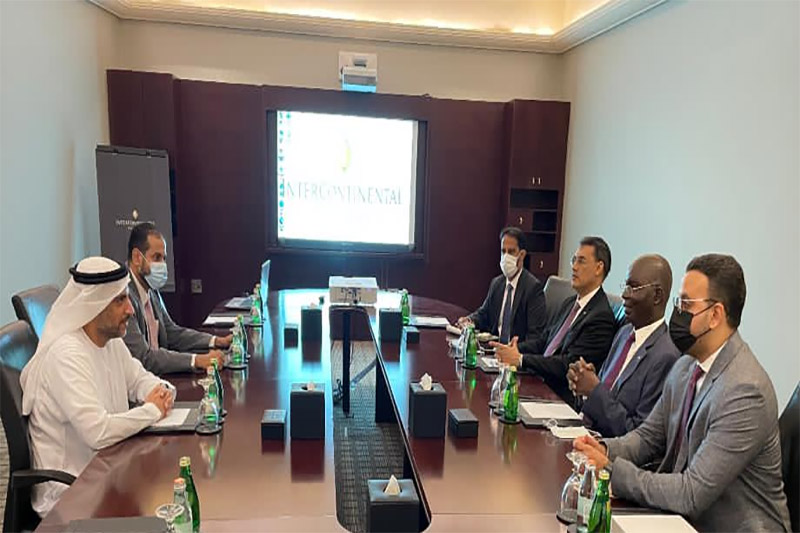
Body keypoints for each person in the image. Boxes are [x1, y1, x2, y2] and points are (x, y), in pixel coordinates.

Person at [574, 254, 791, 532]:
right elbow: (648, 437)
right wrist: (603, 449)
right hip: (681, 518)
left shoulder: (745, 391)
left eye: (686, 304)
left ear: (715, 315)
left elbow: (691, 493)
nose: (676, 313)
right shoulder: (686, 365)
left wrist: (612, 470)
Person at [21, 257, 175, 516]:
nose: (131, 309)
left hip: (108, 470)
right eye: (120, 300)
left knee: (171, 492)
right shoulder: (66, 355)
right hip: (71, 495)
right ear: (94, 305)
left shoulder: (110, 340)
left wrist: (160, 390)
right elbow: (98, 432)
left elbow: (139, 378)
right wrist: (153, 410)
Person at [568, 254, 679, 437]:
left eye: (633, 287)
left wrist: (594, 390)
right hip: (583, 433)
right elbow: (603, 396)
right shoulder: (624, 334)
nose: (625, 295)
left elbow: (638, 435)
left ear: (657, 296)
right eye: (626, 286)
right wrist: (583, 385)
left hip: (610, 448)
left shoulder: (666, 356)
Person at [494, 236, 617, 402]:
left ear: (598, 268)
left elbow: (568, 364)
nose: (574, 267)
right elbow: (544, 341)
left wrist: (521, 359)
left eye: (581, 261)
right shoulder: (569, 303)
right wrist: (514, 350)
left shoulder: (601, 317)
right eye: (573, 260)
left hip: (558, 396)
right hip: (537, 381)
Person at [124, 223, 230, 374]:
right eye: (156, 257)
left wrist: (216, 341)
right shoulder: (124, 298)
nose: (162, 264)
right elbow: (144, 358)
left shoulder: (151, 290)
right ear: (137, 257)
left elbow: (172, 333)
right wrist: (197, 360)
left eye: (164, 258)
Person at [457, 227, 547, 352]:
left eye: (511, 252)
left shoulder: (533, 289)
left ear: (522, 255)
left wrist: (511, 349)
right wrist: (469, 320)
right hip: (492, 351)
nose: (506, 256)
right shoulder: (497, 283)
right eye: (503, 251)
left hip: (515, 354)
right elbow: (484, 314)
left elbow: (536, 339)